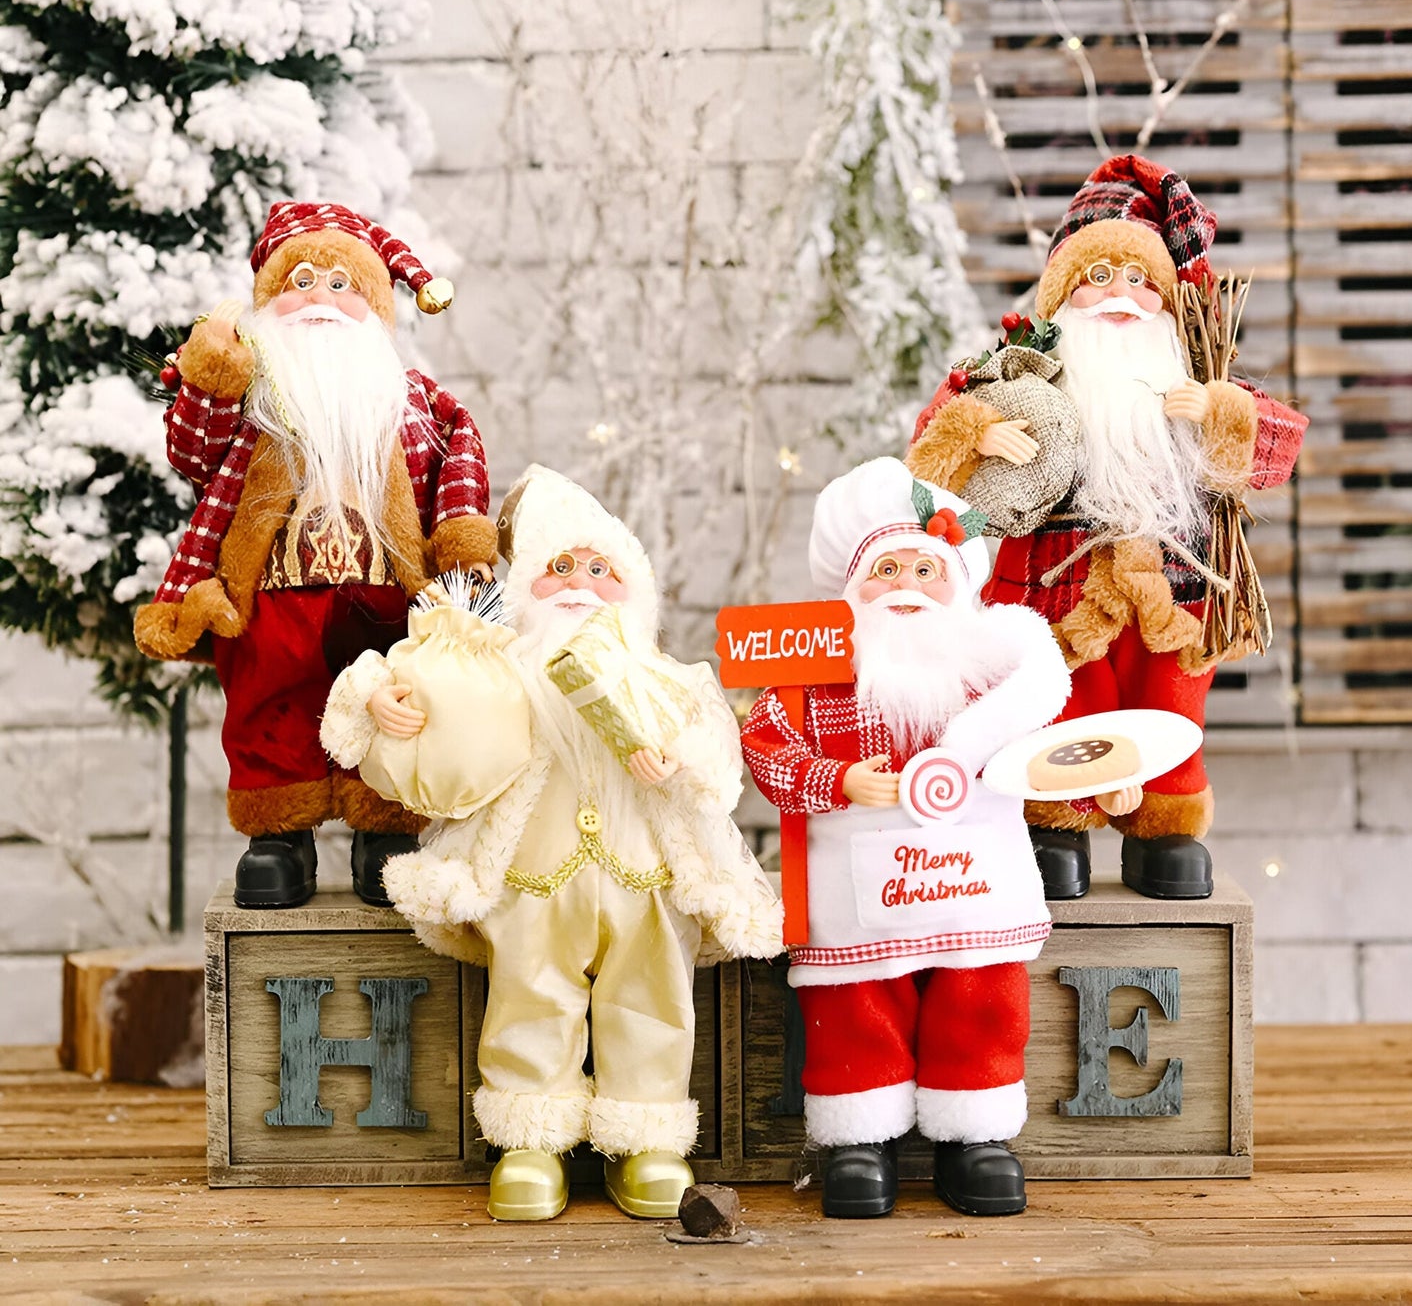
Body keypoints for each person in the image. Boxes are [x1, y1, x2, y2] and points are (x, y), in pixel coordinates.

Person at [325, 465, 781, 1222]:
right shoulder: (501, 670)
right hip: (534, 875)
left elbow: (719, 758)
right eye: (558, 568)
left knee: (653, 999)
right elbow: (419, 665)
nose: (579, 585)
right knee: (530, 993)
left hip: (646, 875)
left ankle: (647, 1134)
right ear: (525, 583)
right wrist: (379, 697)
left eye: (601, 570)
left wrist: (679, 757)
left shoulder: (668, 678)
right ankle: (531, 1136)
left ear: (633, 589)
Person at [908, 155, 1307, 901]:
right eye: (1096, 277)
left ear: (1164, 297)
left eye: (1136, 278)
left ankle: (1166, 829)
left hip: (1176, 587)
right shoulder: (1020, 365)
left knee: (1172, 702)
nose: (1117, 294)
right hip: (1052, 588)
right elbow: (931, 435)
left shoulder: (1191, 370)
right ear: (1061, 293)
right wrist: (978, 432)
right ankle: (1055, 824)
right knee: (1058, 699)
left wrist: (1219, 412)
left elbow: (1277, 446)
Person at [740, 457, 1081, 1219]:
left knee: (983, 1000)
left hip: (972, 892)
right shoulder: (816, 674)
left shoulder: (991, 672)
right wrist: (836, 780)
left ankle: (976, 1134)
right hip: (855, 897)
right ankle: (861, 1138)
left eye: (925, 568)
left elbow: (1049, 737)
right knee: (854, 1010)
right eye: (884, 568)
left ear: (958, 584)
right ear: (849, 589)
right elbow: (764, 745)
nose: (903, 584)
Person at [133, 201, 498, 909]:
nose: (322, 298)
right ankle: (279, 836)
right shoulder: (250, 396)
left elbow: (462, 456)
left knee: (397, 704)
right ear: (266, 302)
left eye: (343, 285)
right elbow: (190, 453)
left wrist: (460, 537)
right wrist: (211, 371)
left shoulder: (415, 401)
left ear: (377, 307)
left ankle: (385, 827)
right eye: (300, 280)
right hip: (273, 591)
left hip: (385, 590)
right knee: (273, 706)